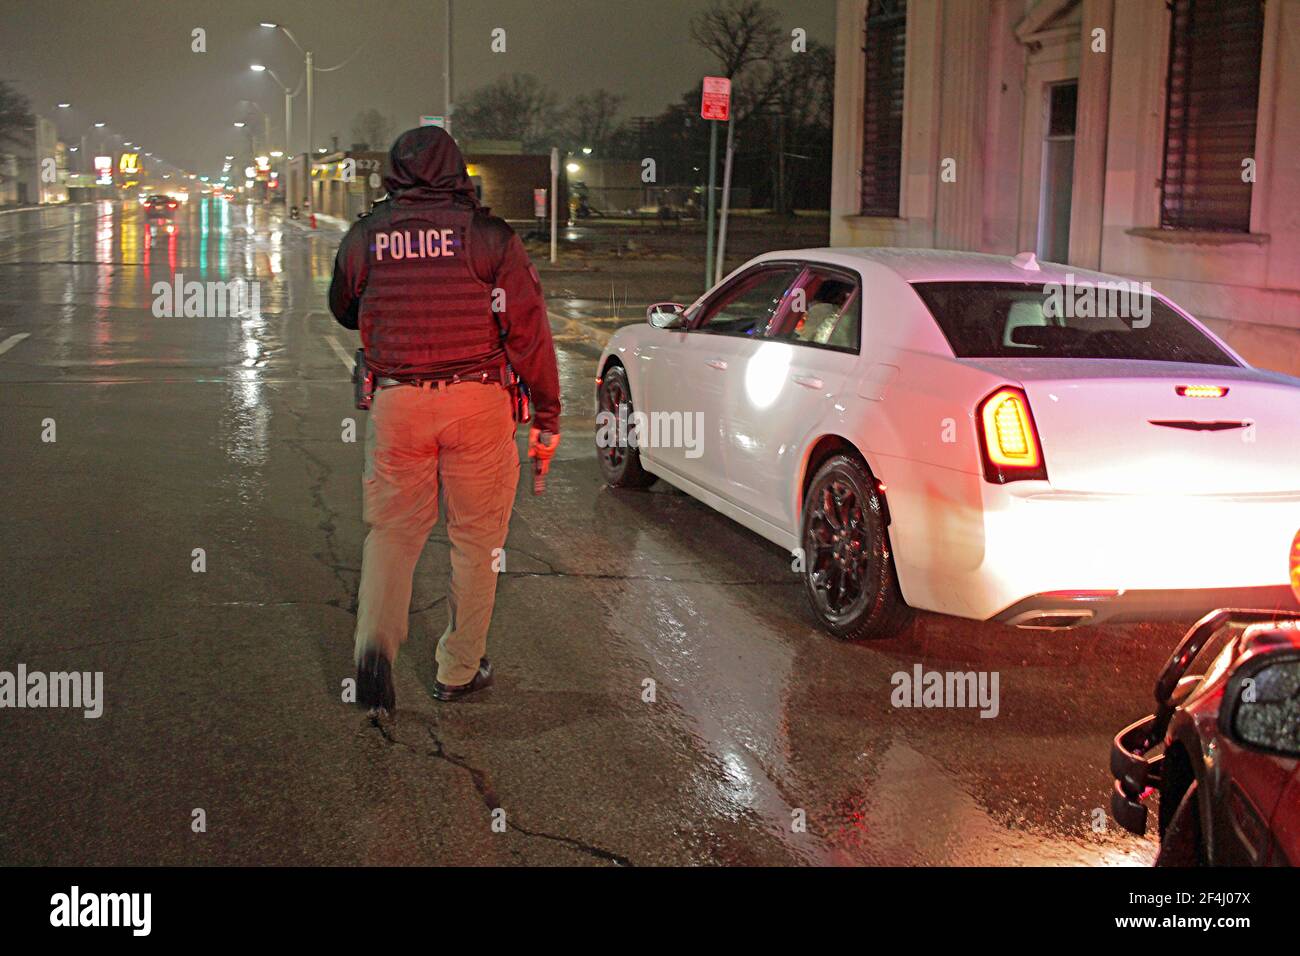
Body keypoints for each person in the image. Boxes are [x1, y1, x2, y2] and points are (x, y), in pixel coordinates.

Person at [328, 126, 561, 713]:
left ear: (393, 173)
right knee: (476, 541)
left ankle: (373, 653)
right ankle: (458, 669)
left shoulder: (367, 236)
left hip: (398, 402)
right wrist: (548, 415)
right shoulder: (488, 237)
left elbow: (343, 308)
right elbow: (527, 330)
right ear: (458, 170)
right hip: (477, 404)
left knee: (392, 535)